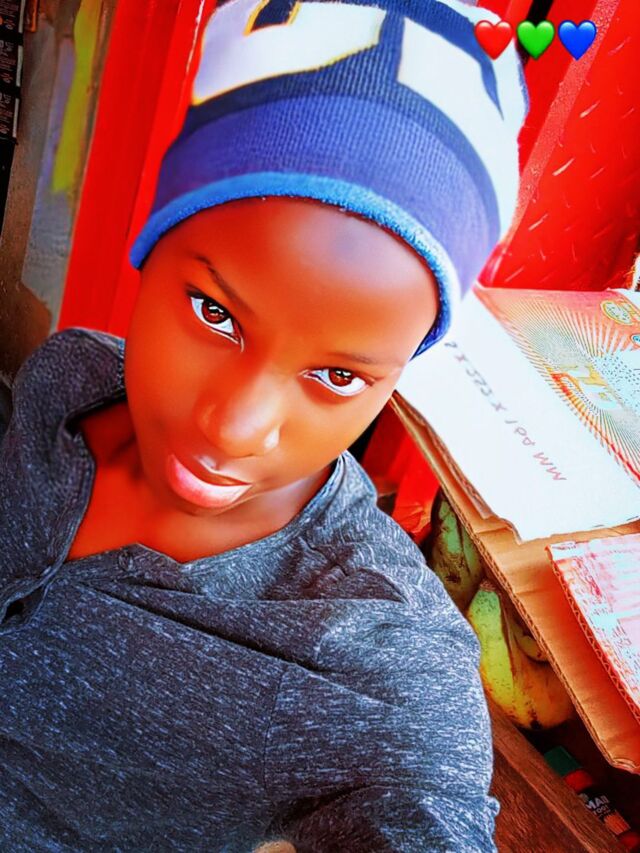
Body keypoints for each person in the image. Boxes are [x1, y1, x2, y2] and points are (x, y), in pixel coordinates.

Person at [0, 0, 528, 849]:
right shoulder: (66, 382)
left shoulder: (374, 669)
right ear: (151, 244)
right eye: (215, 313)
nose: (234, 428)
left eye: (338, 375)